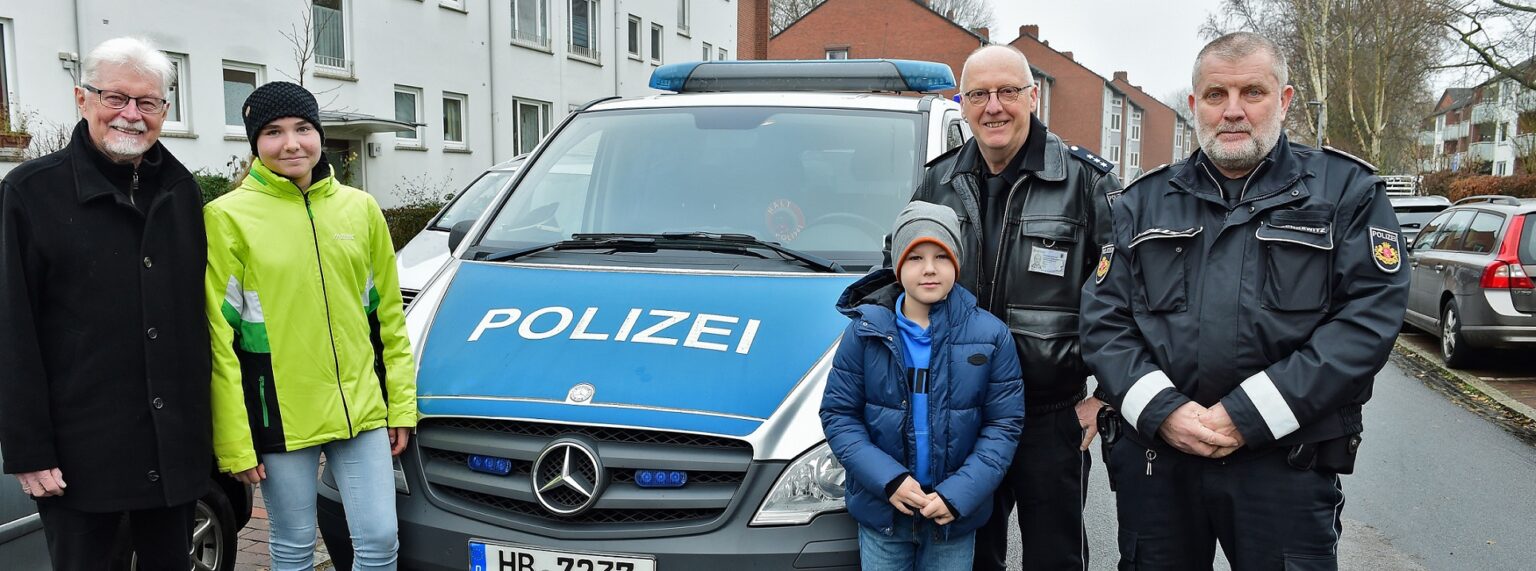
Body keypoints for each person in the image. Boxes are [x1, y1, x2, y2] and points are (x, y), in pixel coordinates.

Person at [1080, 32, 1409, 569]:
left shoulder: (1345, 193)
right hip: (1160, 465)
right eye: (1215, 95)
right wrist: (1166, 414)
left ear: (1284, 100)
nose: (1232, 111)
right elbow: (1104, 324)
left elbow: (1366, 323)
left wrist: (1245, 416)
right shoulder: (1140, 204)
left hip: (1284, 464)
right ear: (1193, 106)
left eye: (1252, 92)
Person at [0, 37, 210, 570]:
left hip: (173, 452)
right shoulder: (29, 192)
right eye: (116, 98)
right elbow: (11, 327)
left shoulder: (182, 191)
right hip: (79, 458)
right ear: (82, 98)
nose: (132, 116)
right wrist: (28, 451)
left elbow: (195, 322)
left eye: (148, 103)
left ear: (165, 109)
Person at [911, 44, 1121, 570]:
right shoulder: (939, 182)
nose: (994, 106)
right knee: (969, 558)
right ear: (962, 104)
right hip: (962, 416)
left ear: (1033, 97)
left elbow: (1131, 299)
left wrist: (1107, 397)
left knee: (1056, 558)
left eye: (1008, 91)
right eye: (979, 94)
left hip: (1050, 418)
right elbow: (904, 281)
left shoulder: (1086, 183)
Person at [205, 81, 417, 570]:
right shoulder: (226, 217)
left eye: (303, 128)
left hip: (360, 408)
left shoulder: (360, 209)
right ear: (255, 143)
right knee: (294, 545)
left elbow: (388, 317)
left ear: (319, 134)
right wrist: (235, 441)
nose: (291, 143)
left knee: (381, 539)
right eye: (274, 132)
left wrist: (401, 405)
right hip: (279, 414)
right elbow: (218, 338)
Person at [822, 201, 1024, 570]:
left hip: (951, 519)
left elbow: (1003, 426)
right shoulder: (864, 333)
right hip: (885, 515)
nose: (929, 269)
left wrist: (957, 495)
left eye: (941, 257)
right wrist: (889, 481)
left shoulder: (991, 336)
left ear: (957, 263)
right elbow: (839, 416)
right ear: (898, 265)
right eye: (915, 257)